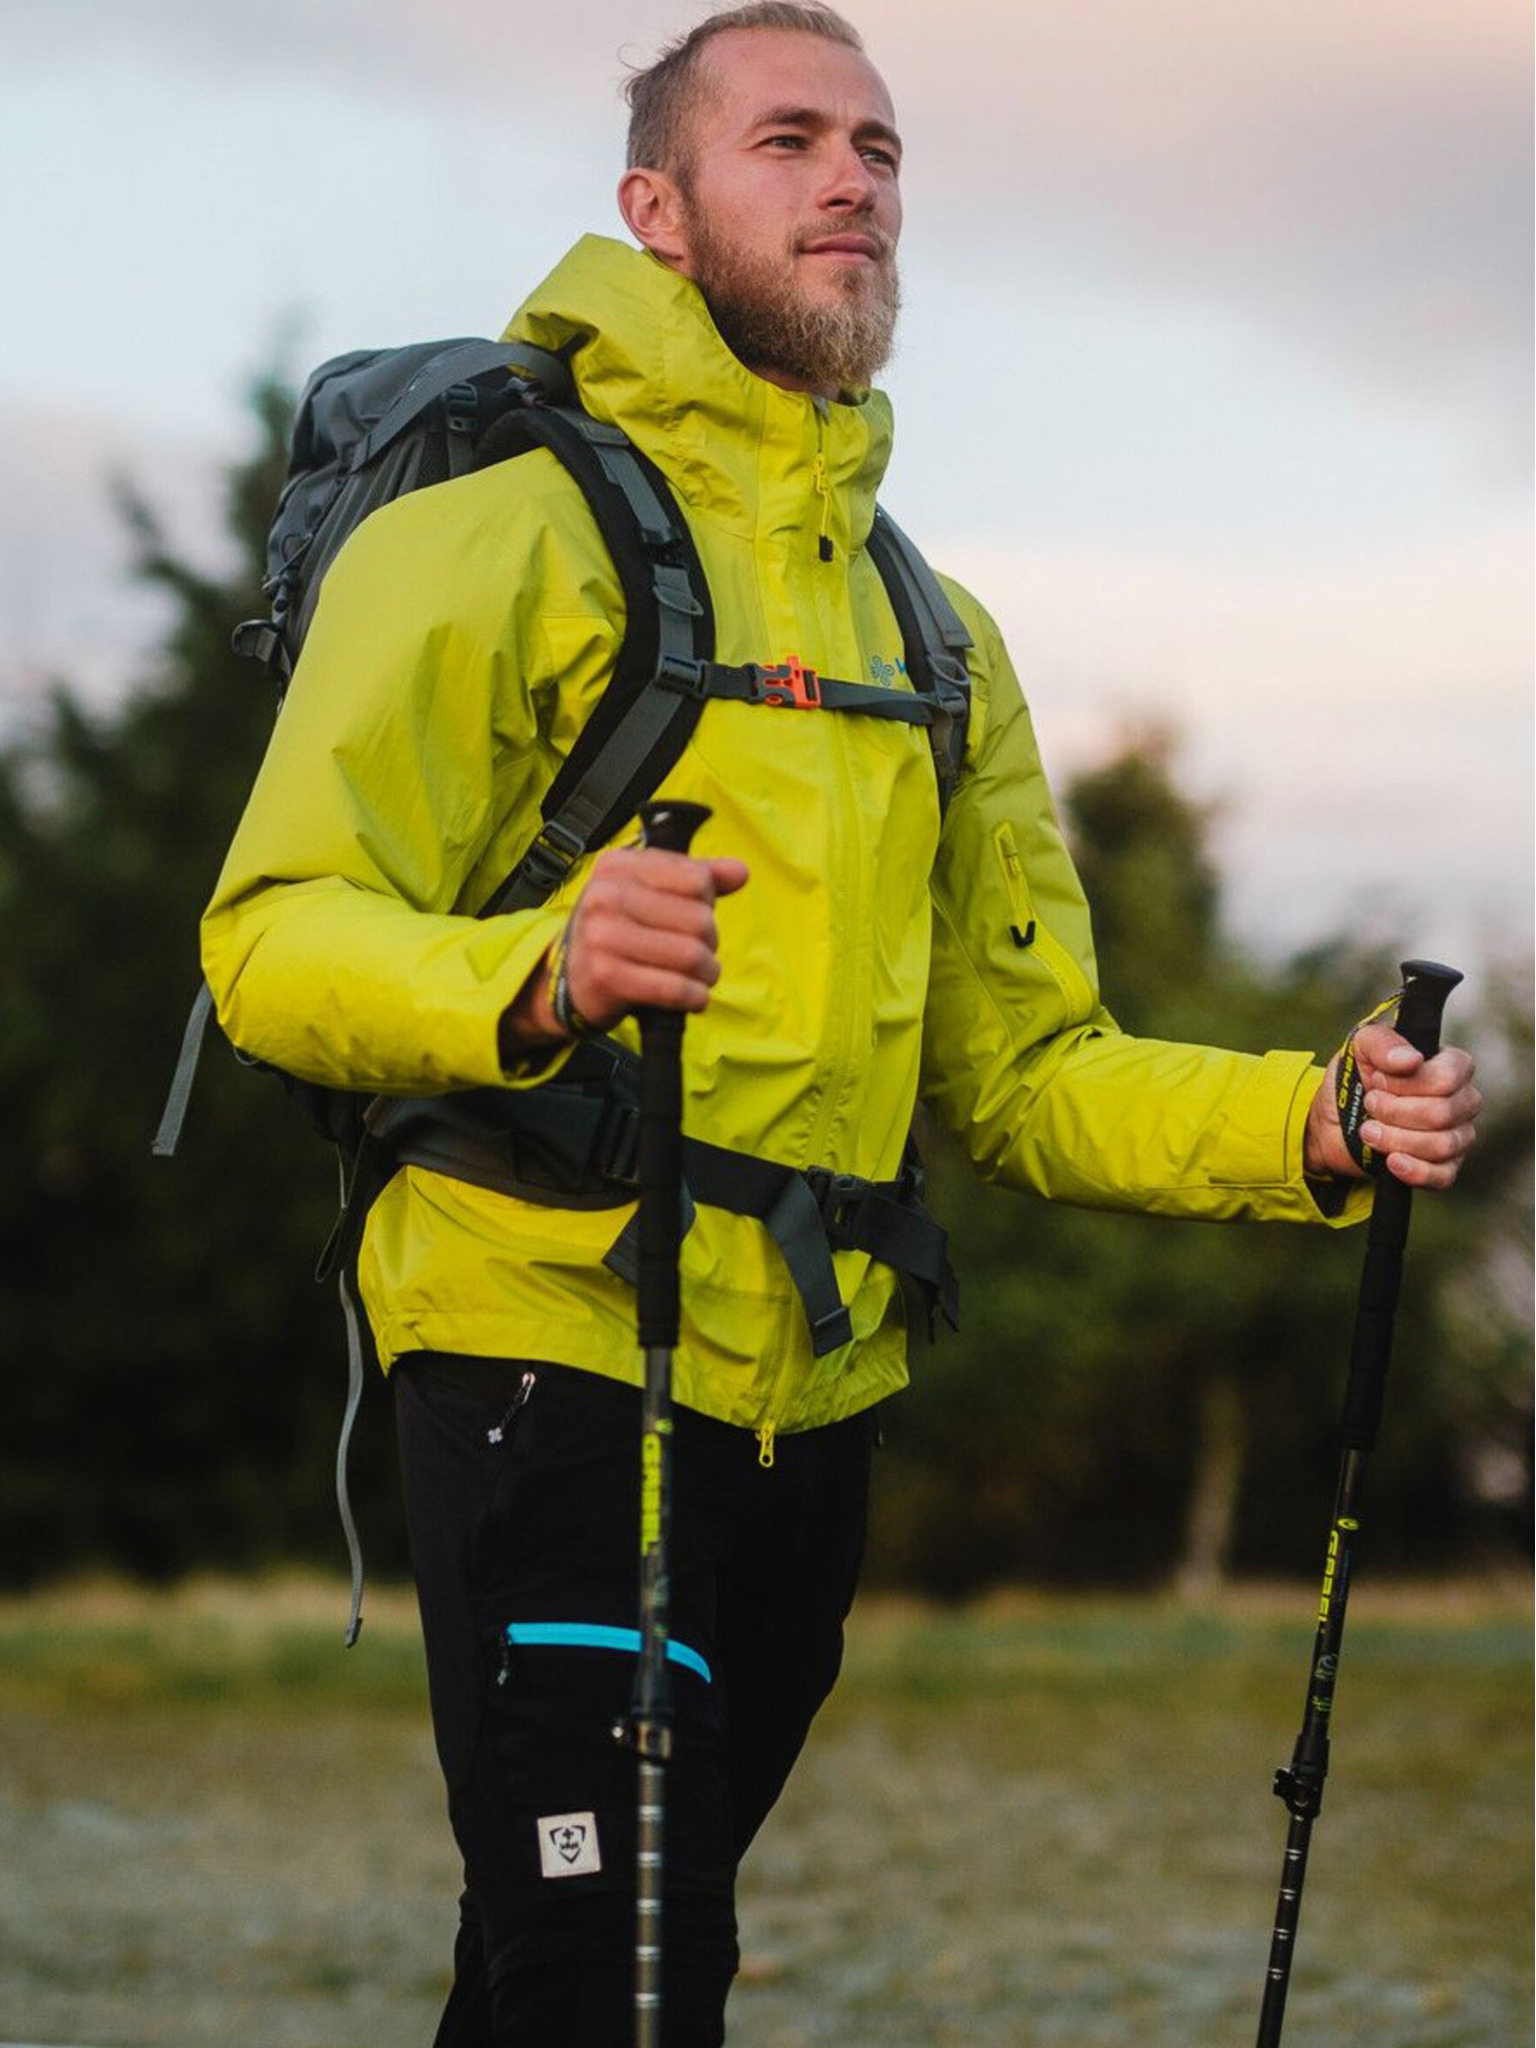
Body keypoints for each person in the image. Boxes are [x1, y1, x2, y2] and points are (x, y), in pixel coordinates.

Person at [200, 5, 1482, 2041]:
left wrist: (1306, 1125)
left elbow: (1029, 1074)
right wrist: (539, 967)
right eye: (788, 139)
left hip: (812, 1406)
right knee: (625, 1981)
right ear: (656, 208)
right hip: (545, 1347)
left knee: (564, 1974)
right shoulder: (492, 538)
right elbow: (269, 944)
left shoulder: (933, 635)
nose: (851, 182)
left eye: (879, 150)